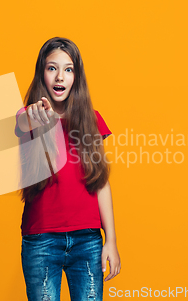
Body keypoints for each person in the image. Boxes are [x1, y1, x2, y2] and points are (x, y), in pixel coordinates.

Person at [14, 37, 121, 301]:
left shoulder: (92, 120)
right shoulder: (29, 116)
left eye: (68, 69)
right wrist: (36, 115)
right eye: (52, 68)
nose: (60, 76)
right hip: (41, 241)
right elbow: (21, 121)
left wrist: (112, 241)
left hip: (88, 241)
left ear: (76, 76)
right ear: (42, 73)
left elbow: (101, 182)